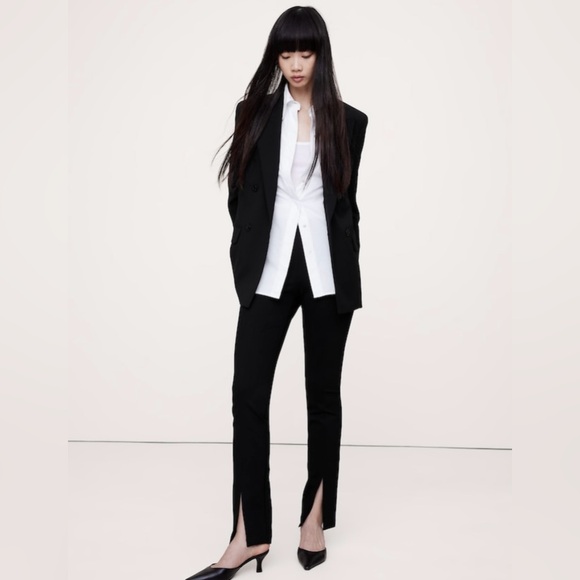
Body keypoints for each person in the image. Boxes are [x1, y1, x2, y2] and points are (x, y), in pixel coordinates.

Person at [186, 6, 368, 579]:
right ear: (276, 56)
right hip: (269, 269)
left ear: (321, 55)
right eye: (286, 53)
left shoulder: (350, 121)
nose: (294, 64)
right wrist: (247, 247)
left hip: (326, 271)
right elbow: (241, 194)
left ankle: (314, 518)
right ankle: (249, 534)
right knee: (247, 394)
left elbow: (345, 203)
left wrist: (348, 255)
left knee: (323, 397)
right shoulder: (256, 113)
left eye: (305, 52)